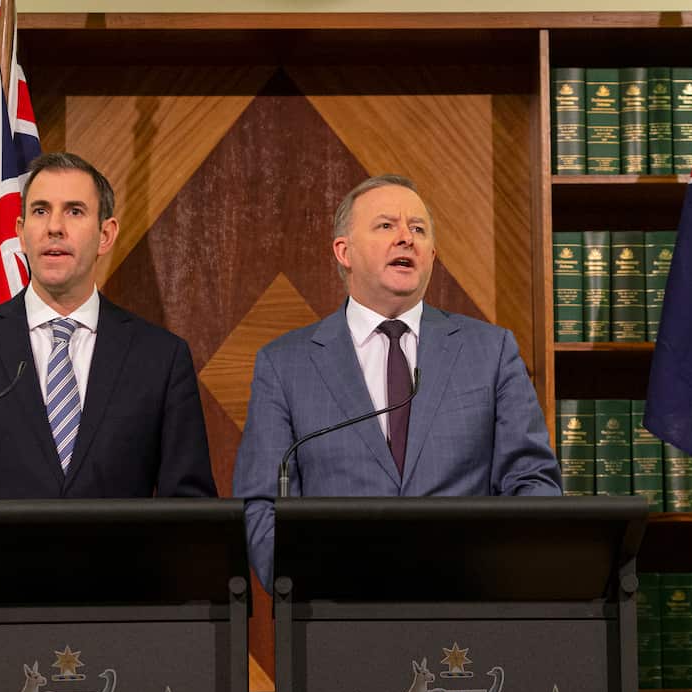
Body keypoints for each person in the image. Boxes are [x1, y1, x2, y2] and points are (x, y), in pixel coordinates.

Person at [233, 174, 561, 587]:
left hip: (468, 616)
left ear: (432, 255)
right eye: (386, 225)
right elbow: (261, 505)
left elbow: (532, 481)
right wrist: (302, 586)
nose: (406, 237)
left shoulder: (489, 352)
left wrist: (504, 580)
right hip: (336, 616)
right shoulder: (285, 365)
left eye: (418, 229)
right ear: (344, 251)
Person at [0, 151, 216, 500]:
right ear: (20, 232)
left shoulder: (160, 359)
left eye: (74, 211)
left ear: (106, 235)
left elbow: (189, 509)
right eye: (40, 211)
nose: (54, 227)